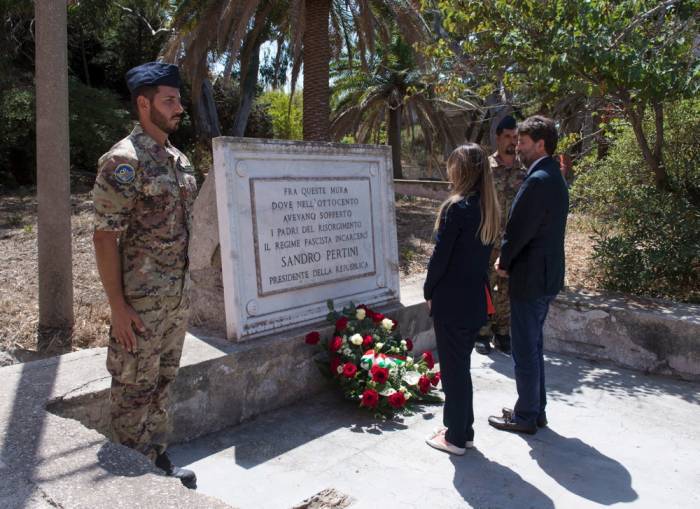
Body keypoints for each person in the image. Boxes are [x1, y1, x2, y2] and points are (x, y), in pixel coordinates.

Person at [92, 62, 198, 488]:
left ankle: (156, 462)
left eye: (178, 100)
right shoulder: (124, 161)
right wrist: (117, 306)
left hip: (175, 301)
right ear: (143, 103)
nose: (179, 108)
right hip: (139, 306)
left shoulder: (178, 159)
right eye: (169, 101)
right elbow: (104, 238)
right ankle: (130, 479)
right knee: (133, 389)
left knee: (162, 383)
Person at [488, 115, 569, 435]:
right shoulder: (552, 175)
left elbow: (519, 230)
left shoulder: (537, 180)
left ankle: (525, 417)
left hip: (531, 278)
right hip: (546, 276)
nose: (517, 147)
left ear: (541, 144)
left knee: (525, 349)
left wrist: (504, 262)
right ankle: (535, 411)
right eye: (516, 141)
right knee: (533, 346)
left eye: (523, 142)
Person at [423, 143, 500, 455]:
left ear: (463, 171)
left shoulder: (457, 208)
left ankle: (455, 438)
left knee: (454, 371)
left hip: (451, 301)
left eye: (453, 165)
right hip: (473, 301)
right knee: (460, 368)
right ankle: (462, 430)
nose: (449, 170)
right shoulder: (487, 207)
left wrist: (428, 290)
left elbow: (440, 258)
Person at [474, 115, 526, 356]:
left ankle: (503, 332)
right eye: (508, 136)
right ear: (498, 137)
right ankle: (482, 332)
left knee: (507, 287)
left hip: (514, 241)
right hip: (488, 238)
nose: (512, 142)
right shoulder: (484, 167)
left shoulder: (524, 168)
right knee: (485, 284)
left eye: (516, 137)